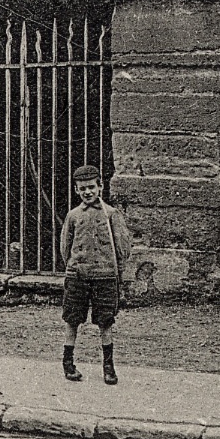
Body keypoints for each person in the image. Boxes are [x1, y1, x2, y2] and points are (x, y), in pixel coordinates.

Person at [58, 164, 134, 384]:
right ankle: (68, 363)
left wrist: (116, 273)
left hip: (105, 277)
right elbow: (66, 247)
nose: (87, 192)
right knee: (72, 319)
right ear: (76, 190)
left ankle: (108, 367)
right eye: (82, 189)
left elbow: (123, 249)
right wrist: (75, 267)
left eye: (91, 187)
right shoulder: (73, 216)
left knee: (105, 321)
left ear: (100, 187)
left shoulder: (111, 215)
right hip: (78, 276)